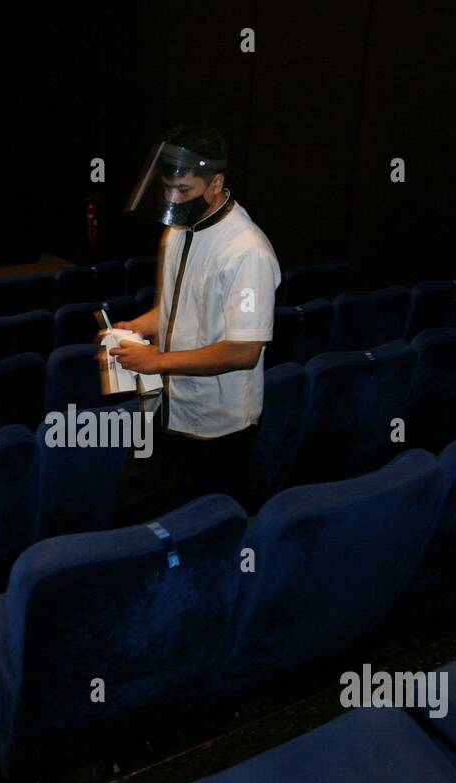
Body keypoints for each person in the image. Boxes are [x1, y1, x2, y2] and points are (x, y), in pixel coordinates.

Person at [106, 125, 281, 526]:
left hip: (218, 424)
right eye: (167, 188)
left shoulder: (246, 252)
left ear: (216, 182)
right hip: (167, 402)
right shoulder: (178, 228)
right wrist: (142, 325)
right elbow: (176, 306)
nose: (172, 199)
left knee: (212, 523)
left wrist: (158, 361)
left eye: (183, 190)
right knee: (134, 505)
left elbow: (244, 350)